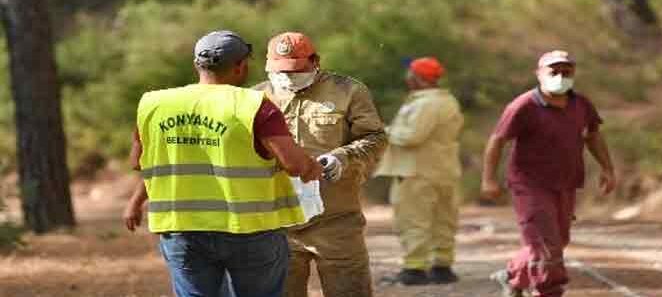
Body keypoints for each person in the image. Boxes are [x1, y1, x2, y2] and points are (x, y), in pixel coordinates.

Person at [123, 30, 324, 297]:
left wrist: (136, 201)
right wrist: (316, 167)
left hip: (181, 229)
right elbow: (295, 165)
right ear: (241, 66)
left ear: (196, 64)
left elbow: (138, 161)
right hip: (250, 230)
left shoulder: (153, 104)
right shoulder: (255, 106)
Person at [253, 32, 388, 297]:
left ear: (315, 61)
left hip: (336, 220)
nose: (288, 77)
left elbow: (375, 137)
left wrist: (344, 156)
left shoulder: (348, 91)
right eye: (280, 71)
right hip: (277, 223)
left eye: (296, 70)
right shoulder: (255, 97)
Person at [480, 50, 617, 297]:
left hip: (565, 183)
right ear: (539, 74)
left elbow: (593, 135)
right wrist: (488, 179)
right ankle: (549, 291)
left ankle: (513, 275)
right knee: (546, 245)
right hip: (530, 184)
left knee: (556, 241)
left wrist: (608, 168)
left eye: (566, 72)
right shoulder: (523, 106)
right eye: (554, 71)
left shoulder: (581, 104)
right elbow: (497, 141)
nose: (560, 76)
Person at [374, 57, 465, 285]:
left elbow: (412, 136)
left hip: (416, 172)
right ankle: (442, 266)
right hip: (444, 170)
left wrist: (382, 131)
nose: (407, 77)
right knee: (443, 219)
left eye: (410, 73)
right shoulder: (448, 101)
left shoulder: (425, 104)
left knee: (414, 220)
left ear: (417, 77)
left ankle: (414, 269)